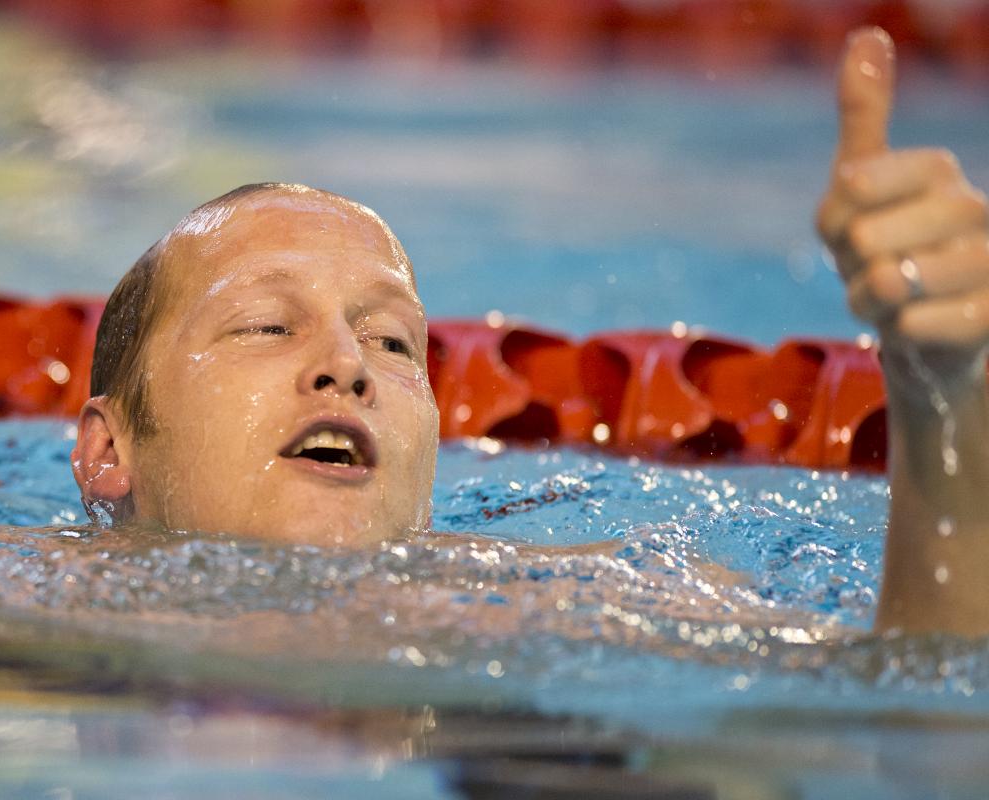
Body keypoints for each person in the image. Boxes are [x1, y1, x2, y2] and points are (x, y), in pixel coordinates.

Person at [71, 29, 989, 637]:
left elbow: (910, 710)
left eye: (393, 344)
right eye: (267, 324)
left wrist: (944, 396)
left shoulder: (549, 608)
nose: (348, 367)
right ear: (110, 450)